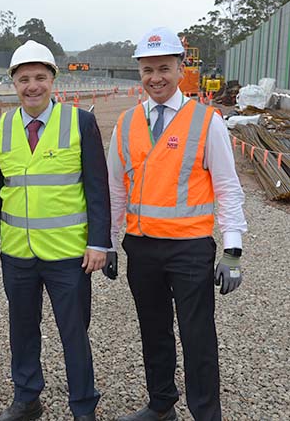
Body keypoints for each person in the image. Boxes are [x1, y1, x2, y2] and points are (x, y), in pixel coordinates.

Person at [107, 27, 247, 421]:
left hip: (189, 248)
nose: (156, 78)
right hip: (142, 247)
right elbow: (117, 189)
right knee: (154, 331)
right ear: (139, 71)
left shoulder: (207, 122)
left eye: (164, 68)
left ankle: (206, 413)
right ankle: (161, 403)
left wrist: (232, 250)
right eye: (148, 69)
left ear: (180, 68)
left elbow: (228, 188)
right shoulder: (126, 124)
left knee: (197, 336)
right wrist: (109, 241)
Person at [0, 40, 112, 421]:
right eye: (24, 79)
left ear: (53, 80)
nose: (32, 86)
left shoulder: (79, 122)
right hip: (18, 253)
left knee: (74, 333)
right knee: (22, 329)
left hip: (68, 255)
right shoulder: (0, 127)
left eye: (40, 77)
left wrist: (99, 242)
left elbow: (96, 188)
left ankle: (83, 405)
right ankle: (26, 398)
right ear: (14, 83)